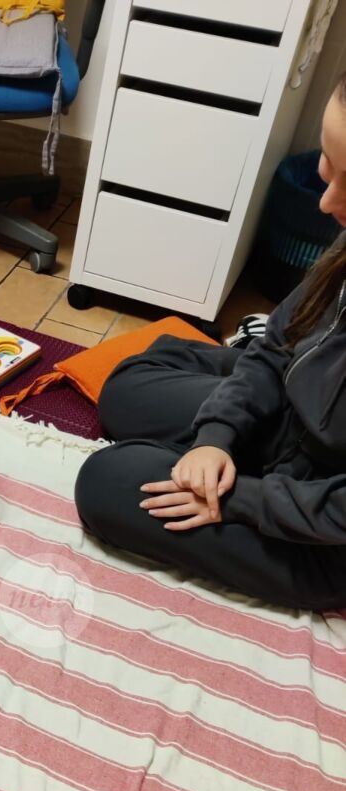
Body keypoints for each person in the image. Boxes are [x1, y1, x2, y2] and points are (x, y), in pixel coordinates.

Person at [74, 74, 346, 612]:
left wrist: (241, 498)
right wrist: (216, 437)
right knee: (126, 385)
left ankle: (235, 437)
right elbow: (279, 342)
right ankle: (230, 412)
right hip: (294, 419)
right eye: (328, 162)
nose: (326, 200)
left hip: (322, 532)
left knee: (105, 482)